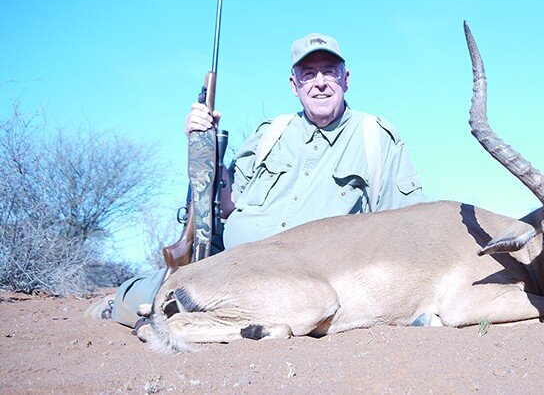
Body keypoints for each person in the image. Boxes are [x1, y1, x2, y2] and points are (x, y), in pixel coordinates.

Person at [86, 32, 426, 326]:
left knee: (181, 312)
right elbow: (226, 204)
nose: (320, 82)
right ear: (295, 85)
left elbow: (409, 227)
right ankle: (118, 303)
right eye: (308, 74)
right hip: (235, 266)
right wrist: (203, 146)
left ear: (346, 79)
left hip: (310, 285)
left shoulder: (376, 137)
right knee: (138, 297)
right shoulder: (270, 133)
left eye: (329, 72)